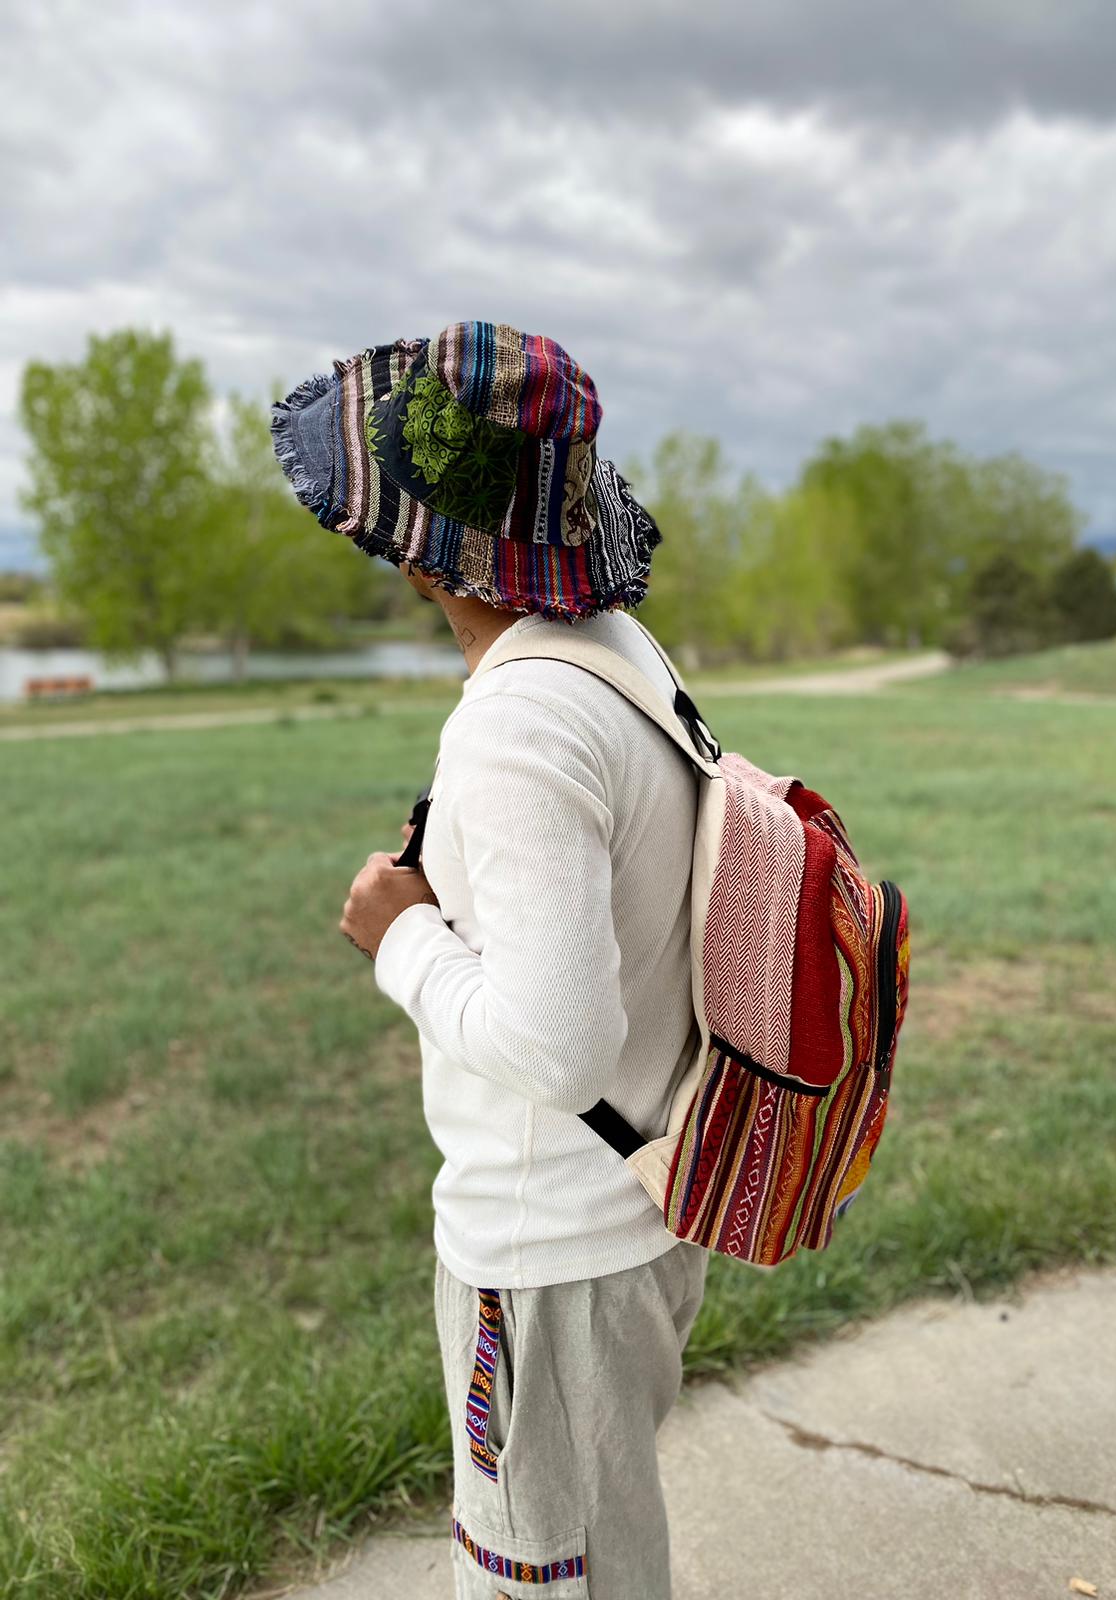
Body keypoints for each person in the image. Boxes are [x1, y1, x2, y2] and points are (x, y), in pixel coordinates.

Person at [271, 321, 709, 1599]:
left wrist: (396, 934)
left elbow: (552, 1043)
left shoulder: (517, 722)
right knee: (607, 1549)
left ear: (419, 555)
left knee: (542, 1576)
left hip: (549, 1250)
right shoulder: (623, 658)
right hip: (638, 1209)